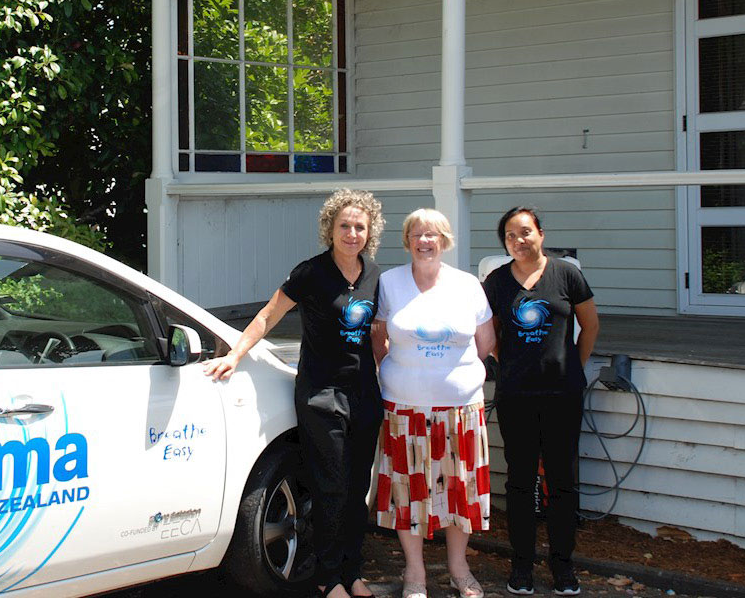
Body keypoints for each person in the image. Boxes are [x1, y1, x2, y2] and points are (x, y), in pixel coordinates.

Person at [204, 189, 386, 598]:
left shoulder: (375, 275)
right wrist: (235, 354)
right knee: (331, 486)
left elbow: (379, 338)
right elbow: (269, 314)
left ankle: (352, 572)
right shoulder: (311, 273)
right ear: (330, 228)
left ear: (369, 231)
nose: (352, 233)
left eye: (359, 227)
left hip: (364, 395)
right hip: (322, 394)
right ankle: (328, 577)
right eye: (344, 226)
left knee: (357, 489)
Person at [371, 208, 495, 598]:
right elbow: (378, 338)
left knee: (461, 492)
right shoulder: (388, 282)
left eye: (433, 234)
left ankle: (459, 569)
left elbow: (486, 342)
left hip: (461, 410)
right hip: (404, 409)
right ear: (407, 240)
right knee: (409, 493)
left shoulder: (467, 285)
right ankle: (415, 574)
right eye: (417, 234)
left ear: (445, 241)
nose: (425, 241)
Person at [481, 207, 599, 597]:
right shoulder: (496, 282)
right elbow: (490, 334)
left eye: (525, 232)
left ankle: (563, 566)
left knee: (563, 482)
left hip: (562, 396)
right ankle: (522, 566)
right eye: (510, 236)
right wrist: (508, 363)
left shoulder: (567, 274)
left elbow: (591, 324)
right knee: (520, 483)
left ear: (541, 234)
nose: (519, 241)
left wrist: (573, 367)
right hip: (517, 396)